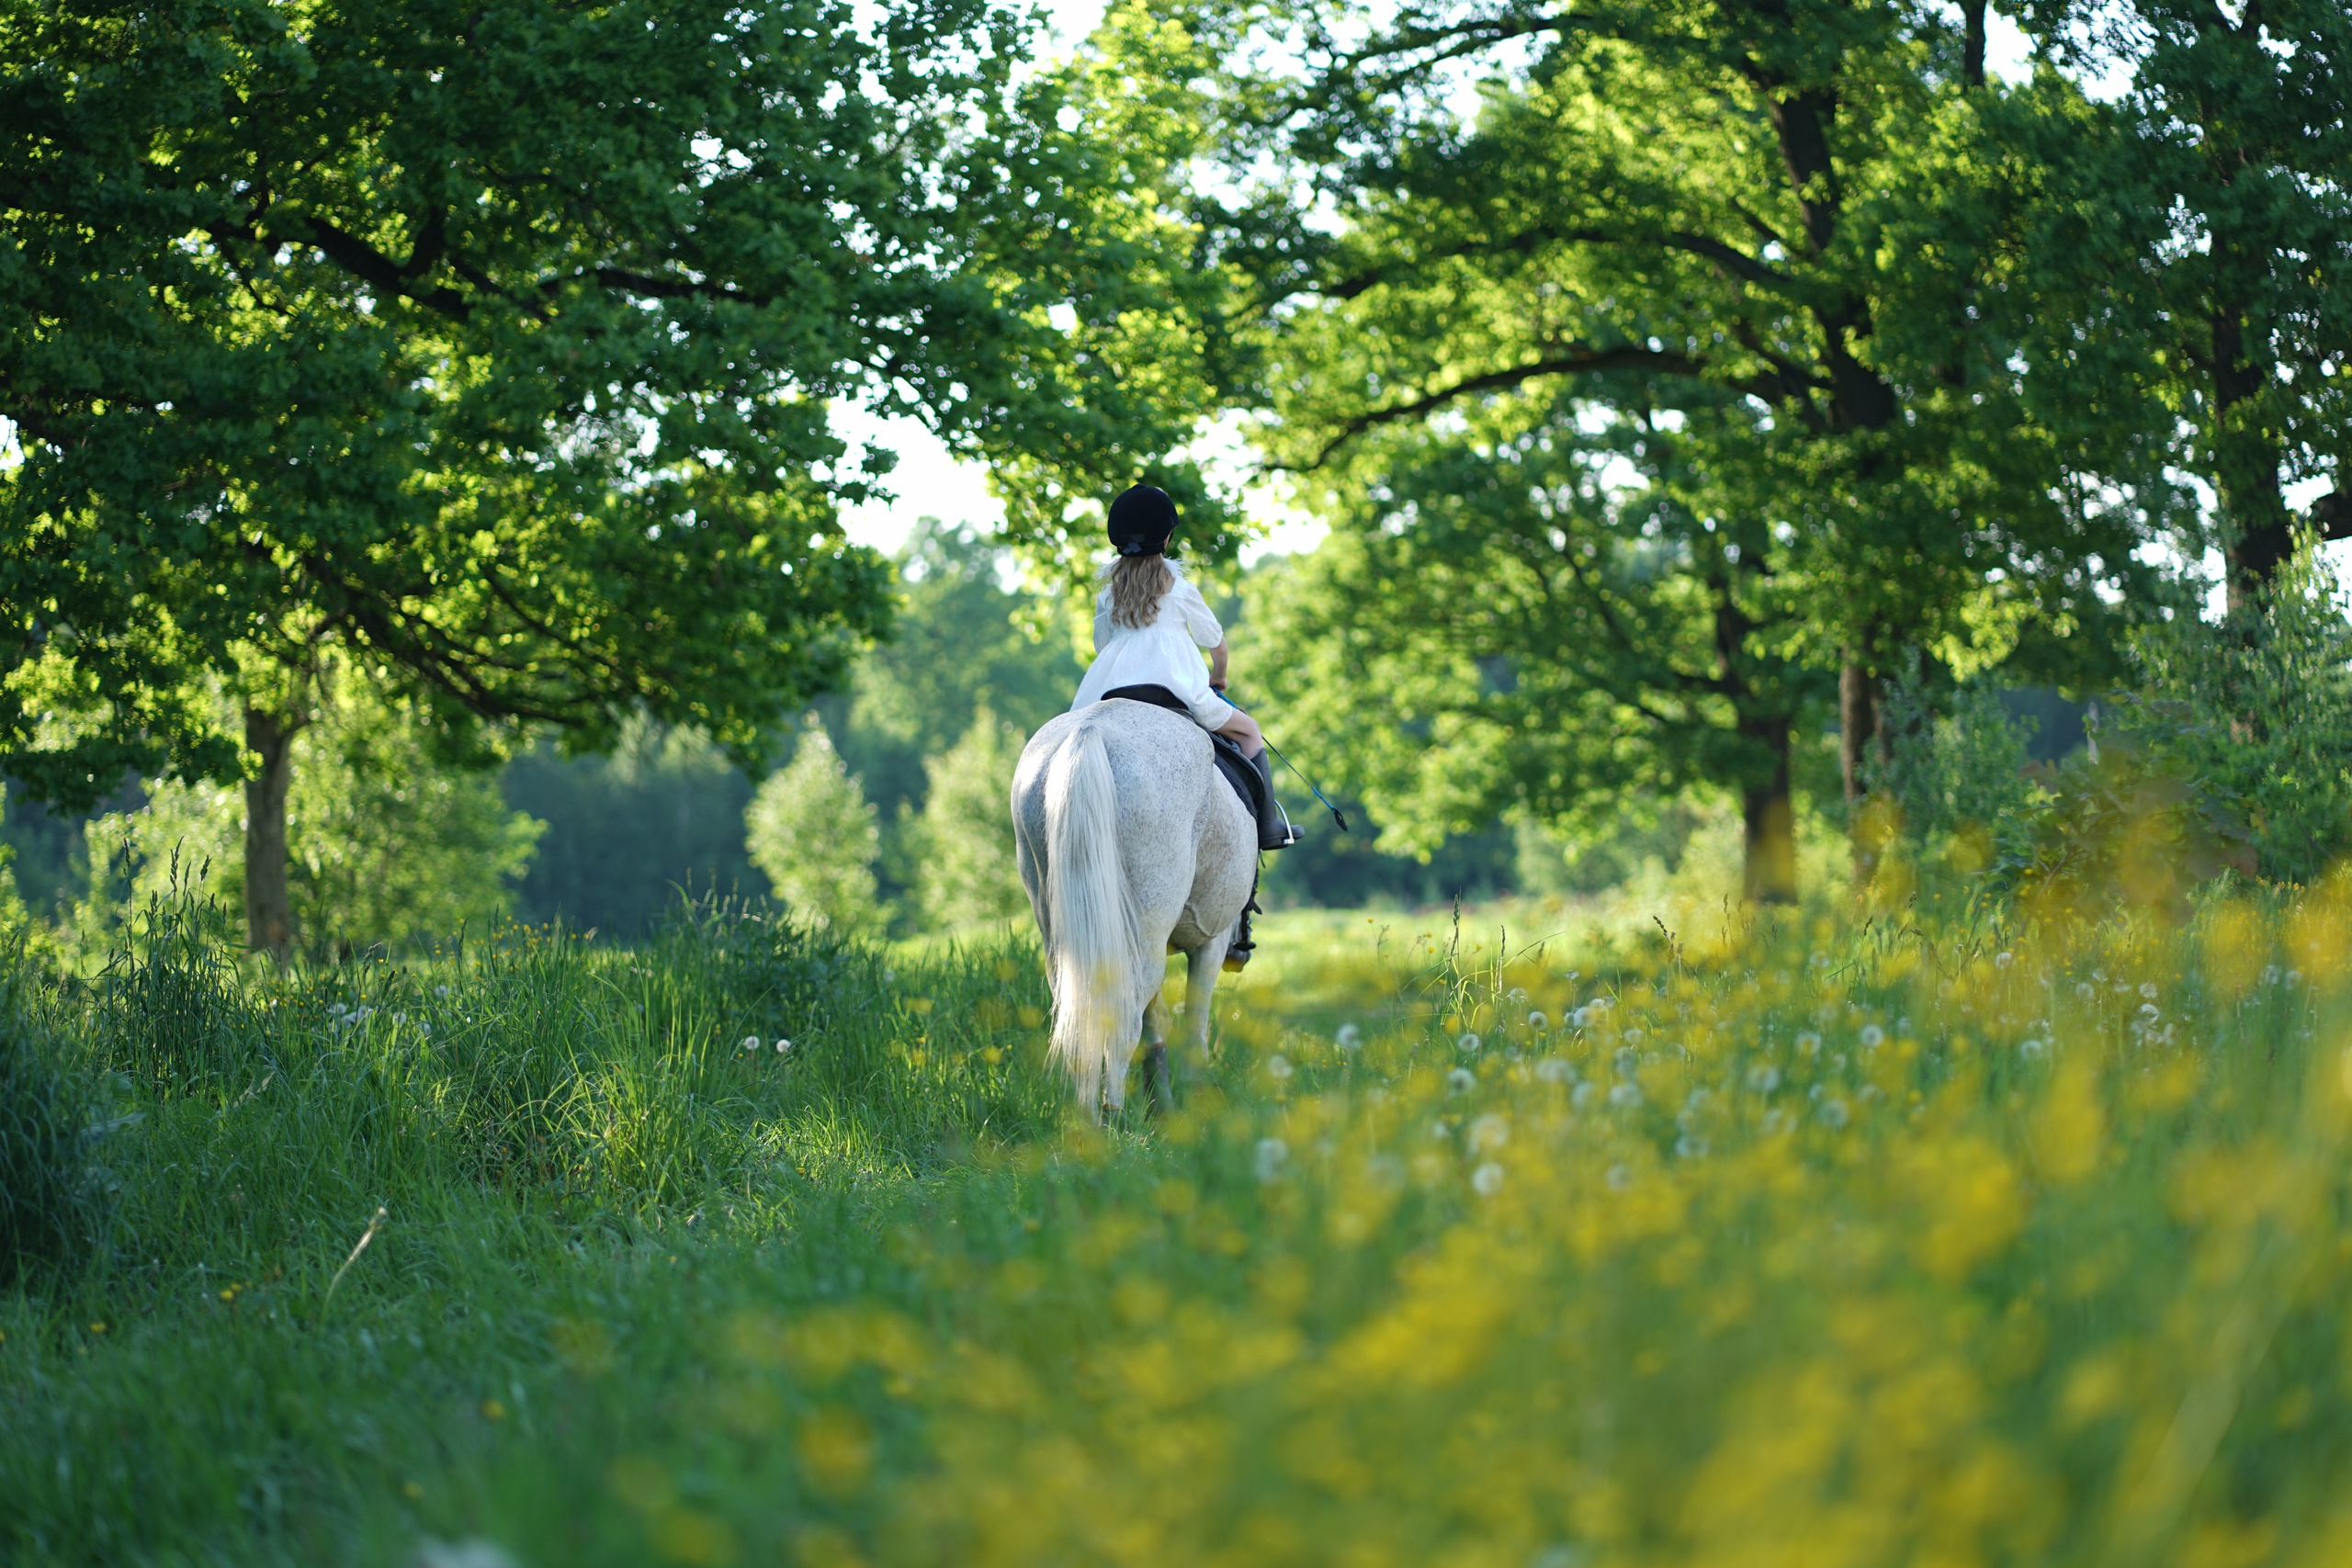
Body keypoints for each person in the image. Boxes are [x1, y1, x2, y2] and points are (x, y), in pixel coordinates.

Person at [1071, 484, 1297, 963]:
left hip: (1110, 692)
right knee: (1251, 731)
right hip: (1177, 694)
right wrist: (1218, 679)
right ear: (1168, 539)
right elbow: (1216, 642)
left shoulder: (1109, 593)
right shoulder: (1180, 587)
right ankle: (1267, 827)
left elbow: (1101, 647)